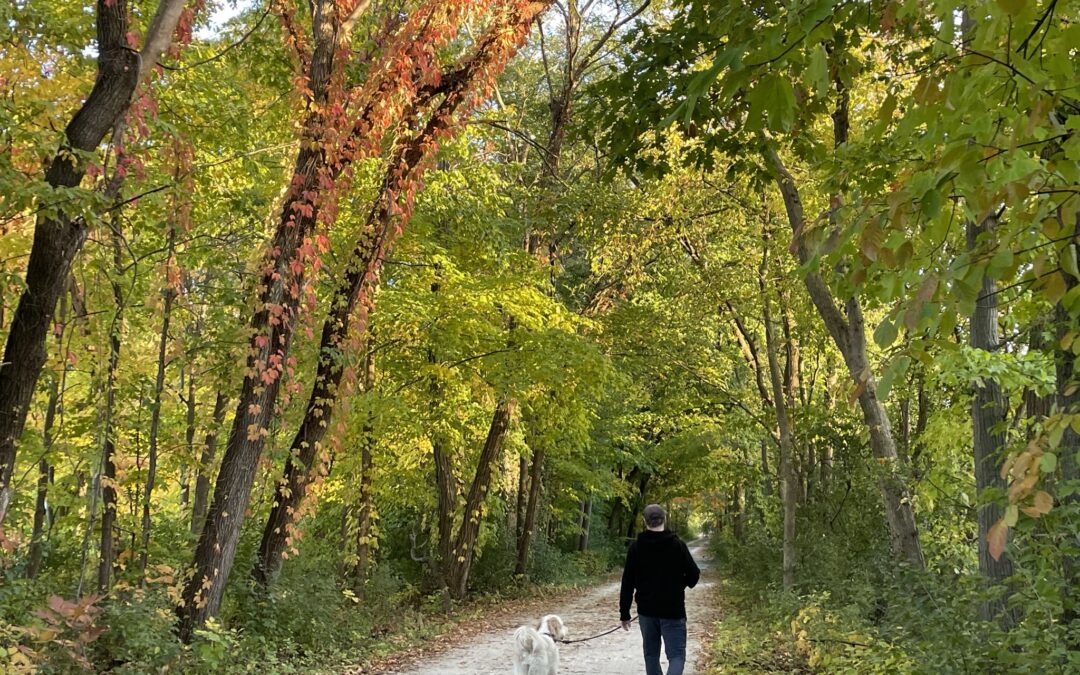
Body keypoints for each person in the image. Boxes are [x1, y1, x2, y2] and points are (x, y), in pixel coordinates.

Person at [619, 504, 700, 675]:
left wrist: (624, 613)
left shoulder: (636, 548)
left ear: (644, 521)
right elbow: (694, 575)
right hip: (673, 610)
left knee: (651, 655)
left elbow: (627, 582)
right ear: (664, 519)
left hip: (647, 612)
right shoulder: (678, 545)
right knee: (676, 656)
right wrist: (679, 585)